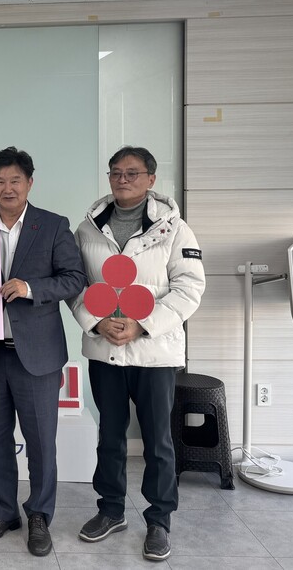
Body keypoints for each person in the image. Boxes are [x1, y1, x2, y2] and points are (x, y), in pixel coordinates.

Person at [67, 146, 205, 562]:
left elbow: (189, 288)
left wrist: (142, 324)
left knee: (157, 441)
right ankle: (110, 510)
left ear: (151, 180)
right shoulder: (88, 228)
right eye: (116, 173)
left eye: (132, 173)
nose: (122, 179)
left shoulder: (174, 229)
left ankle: (159, 520)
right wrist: (96, 321)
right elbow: (74, 283)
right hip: (105, 350)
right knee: (109, 436)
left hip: (155, 353)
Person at [0, 147, 87, 557]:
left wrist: (30, 288)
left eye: (15, 180)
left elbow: (74, 279)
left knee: (40, 442)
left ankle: (39, 515)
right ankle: (3, 512)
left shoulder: (52, 225)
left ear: (29, 183)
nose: (8, 188)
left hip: (36, 354)